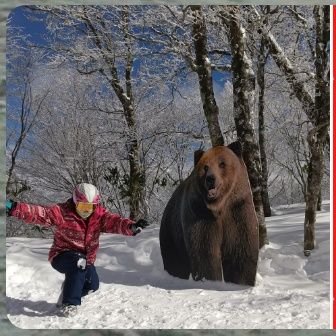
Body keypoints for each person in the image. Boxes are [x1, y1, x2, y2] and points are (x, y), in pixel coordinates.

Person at [6, 182, 149, 317]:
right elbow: (40, 213)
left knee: (92, 285)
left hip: (86, 260)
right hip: (62, 255)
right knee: (79, 263)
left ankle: (67, 293)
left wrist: (131, 227)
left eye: (90, 207)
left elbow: (115, 222)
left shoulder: (100, 216)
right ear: (75, 202)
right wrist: (13, 208)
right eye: (82, 207)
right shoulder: (63, 212)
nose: (86, 211)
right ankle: (69, 304)